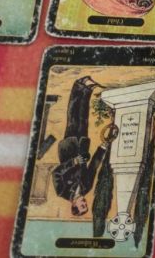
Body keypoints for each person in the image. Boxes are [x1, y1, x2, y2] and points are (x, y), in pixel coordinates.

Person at [51, 76, 118, 217]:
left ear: (74, 205)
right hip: (82, 146)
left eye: (82, 205)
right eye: (86, 205)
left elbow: (56, 172)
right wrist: (102, 148)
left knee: (73, 116)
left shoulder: (61, 191)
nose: (85, 202)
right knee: (83, 118)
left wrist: (73, 162)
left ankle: (78, 84)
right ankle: (87, 90)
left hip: (69, 146)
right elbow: (93, 167)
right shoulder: (86, 188)